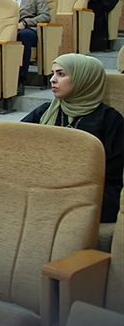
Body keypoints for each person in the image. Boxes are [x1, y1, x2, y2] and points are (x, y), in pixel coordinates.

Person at [22, 54, 123, 223]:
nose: (52, 80)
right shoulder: (46, 111)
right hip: (47, 183)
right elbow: (16, 144)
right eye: (53, 73)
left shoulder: (110, 119)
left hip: (92, 189)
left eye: (61, 74)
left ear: (84, 79)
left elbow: (113, 173)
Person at [0, 0, 50, 94]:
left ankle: (20, 80)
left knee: (22, 35)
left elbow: (45, 16)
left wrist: (25, 23)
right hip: (7, 30)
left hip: (28, 30)